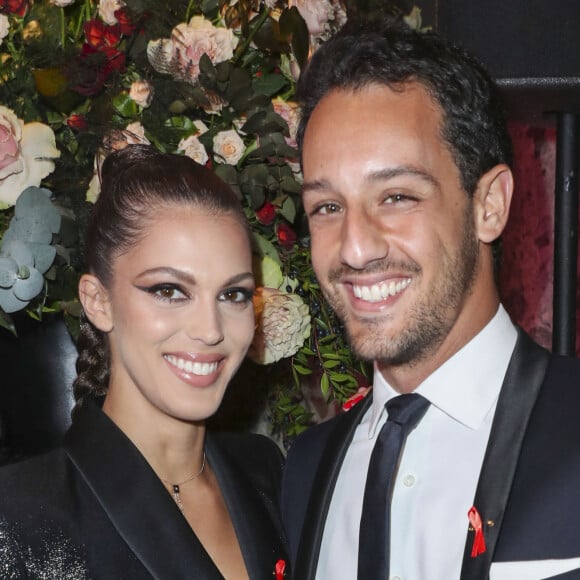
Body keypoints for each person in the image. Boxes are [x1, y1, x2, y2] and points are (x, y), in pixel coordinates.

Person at [281, 18, 580, 580]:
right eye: (326, 206)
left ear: (488, 205)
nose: (355, 247)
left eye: (396, 196)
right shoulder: (304, 471)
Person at [0, 145, 288, 579]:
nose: (210, 330)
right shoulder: (19, 515)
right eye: (169, 290)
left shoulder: (266, 472)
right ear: (98, 302)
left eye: (233, 294)